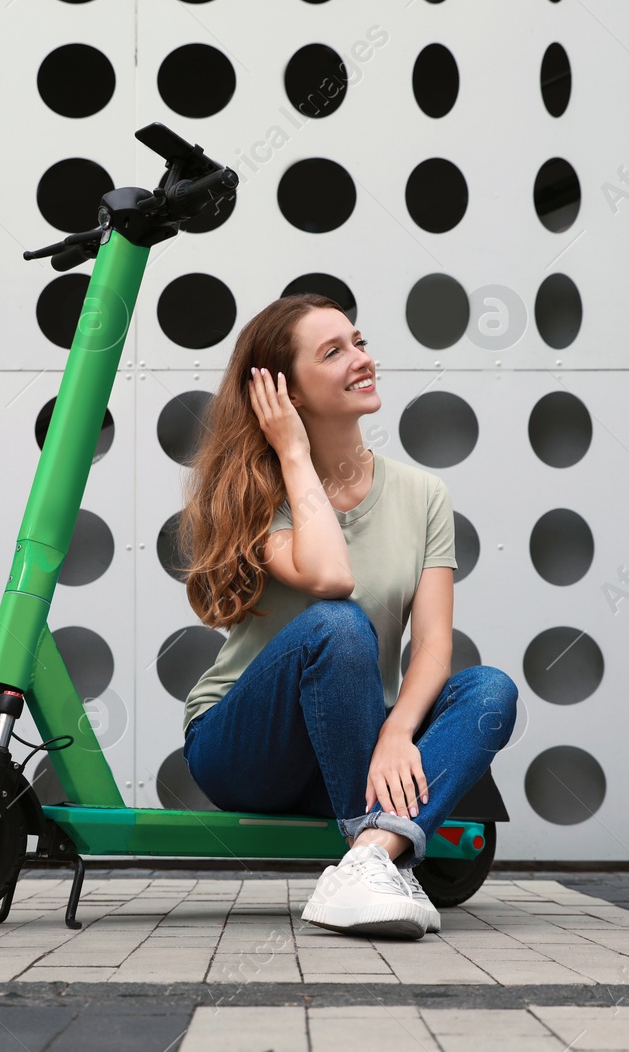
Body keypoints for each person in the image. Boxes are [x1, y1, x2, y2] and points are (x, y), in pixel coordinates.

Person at [177, 292, 520, 940]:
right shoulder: (256, 494)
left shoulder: (423, 494)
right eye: (333, 352)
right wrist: (295, 454)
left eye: (358, 342)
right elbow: (333, 578)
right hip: (245, 747)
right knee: (337, 623)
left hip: (355, 744)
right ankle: (381, 850)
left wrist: (397, 732)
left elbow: (433, 645)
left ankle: (367, 858)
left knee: (489, 689)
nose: (362, 359)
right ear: (289, 393)